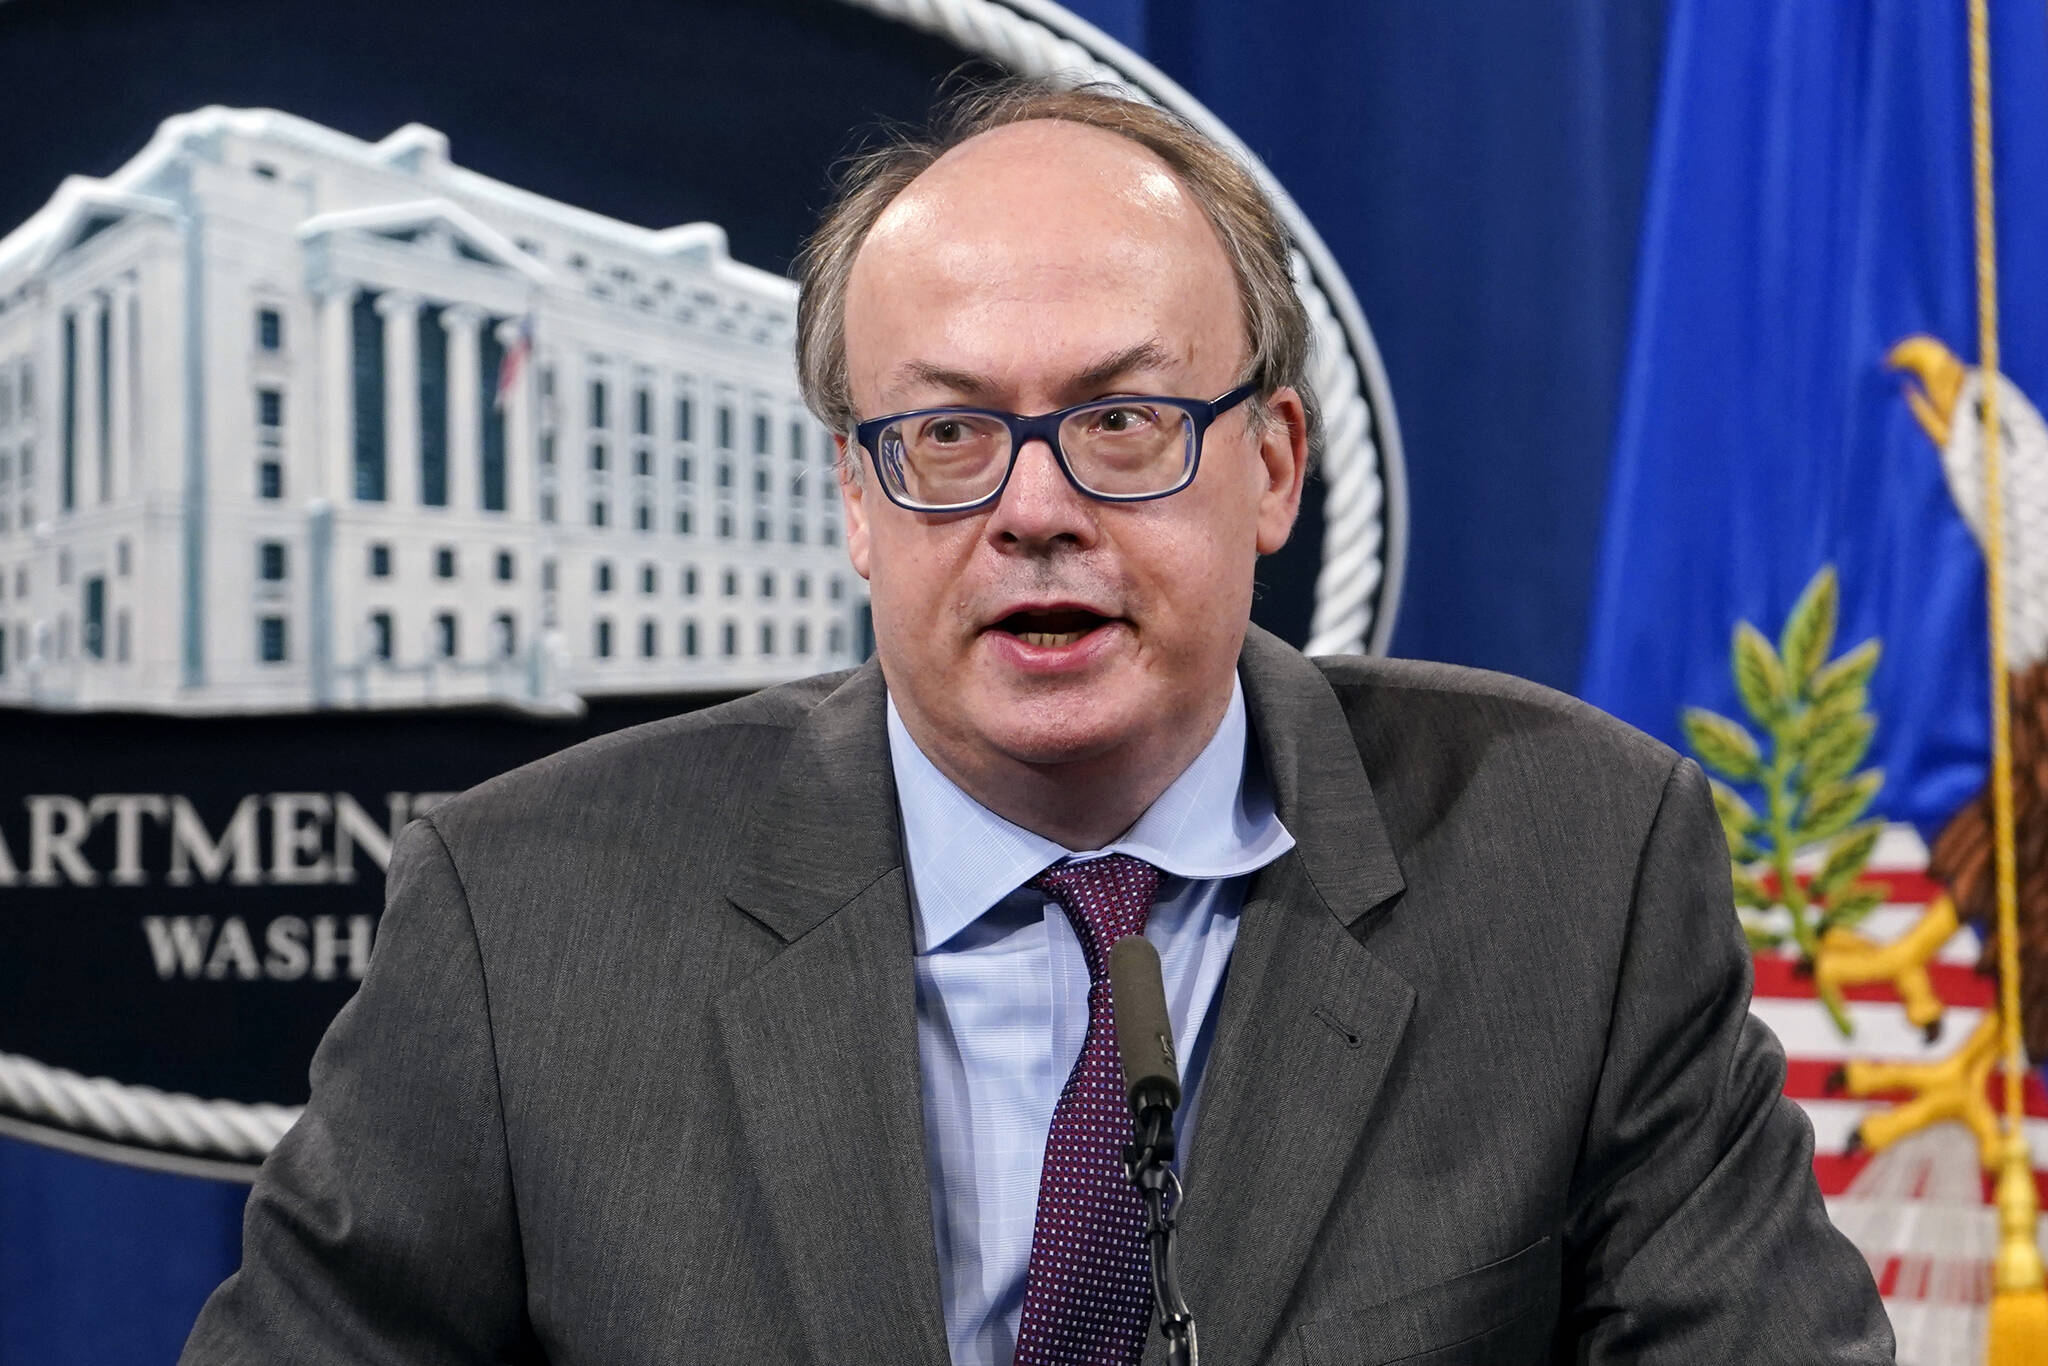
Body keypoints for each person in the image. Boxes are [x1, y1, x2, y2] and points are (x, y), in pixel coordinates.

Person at [182, 80, 1892, 1365]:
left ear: (1274, 464)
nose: (1034, 510)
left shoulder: (1573, 866)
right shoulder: (529, 921)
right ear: (855, 501)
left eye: (1126, 421)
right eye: (943, 437)